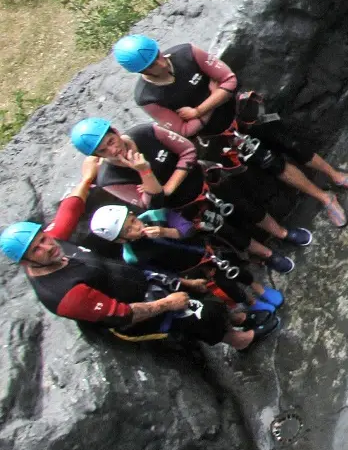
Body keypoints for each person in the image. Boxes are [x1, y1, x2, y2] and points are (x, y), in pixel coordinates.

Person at [112, 34, 348, 228]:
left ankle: (336, 176)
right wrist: (215, 97)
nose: (161, 62)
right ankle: (324, 197)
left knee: (290, 143)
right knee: (273, 164)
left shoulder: (185, 53)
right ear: (141, 71)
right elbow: (184, 129)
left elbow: (230, 80)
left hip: (244, 111)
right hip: (223, 137)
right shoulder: (148, 97)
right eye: (152, 63)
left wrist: (199, 109)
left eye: (158, 54)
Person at [2, 167, 265, 349]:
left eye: (43, 239)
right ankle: (240, 341)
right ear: (25, 262)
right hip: (142, 314)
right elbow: (122, 316)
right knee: (200, 319)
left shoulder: (53, 242)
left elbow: (69, 211)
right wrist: (165, 304)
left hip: (141, 281)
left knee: (202, 297)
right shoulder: (62, 294)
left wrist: (86, 179)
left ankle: (236, 319)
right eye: (37, 249)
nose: (47, 246)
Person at [69, 117, 303, 274]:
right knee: (228, 232)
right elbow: (151, 204)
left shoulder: (145, 132)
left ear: (116, 132)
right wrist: (144, 172)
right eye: (103, 151)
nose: (113, 150)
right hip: (187, 208)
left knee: (249, 208)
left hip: (205, 181)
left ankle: (282, 233)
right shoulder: (110, 179)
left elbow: (188, 151)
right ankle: (267, 255)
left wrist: (167, 186)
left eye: (111, 141)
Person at [88, 203, 281, 323]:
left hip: (206, 250)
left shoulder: (154, 216)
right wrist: (189, 283)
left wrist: (165, 232)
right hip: (193, 268)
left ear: (133, 214)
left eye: (133, 221)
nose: (136, 228)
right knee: (226, 286)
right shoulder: (132, 256)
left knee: (237, 269)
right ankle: (250, 301)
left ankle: (258, 288)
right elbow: (159, 274)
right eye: (128, 231)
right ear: (120, 240)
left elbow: (188, 229)